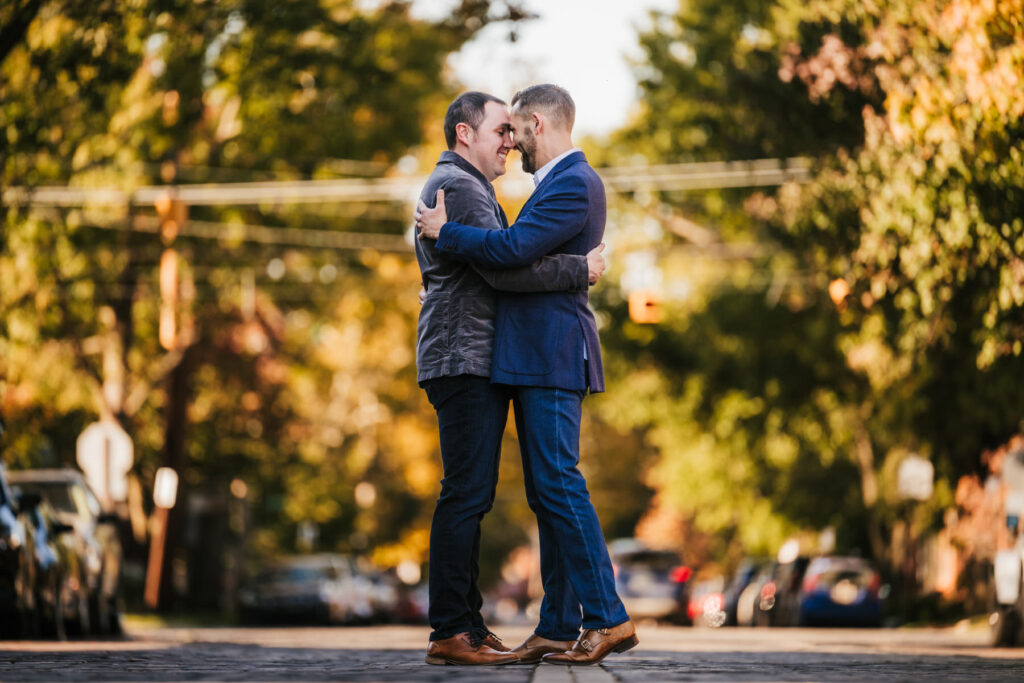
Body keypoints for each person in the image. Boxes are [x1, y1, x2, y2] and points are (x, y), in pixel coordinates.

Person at [416, 84, 636, 666]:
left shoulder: (571, 182)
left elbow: (509, 253)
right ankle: (557, 624)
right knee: (541, 491)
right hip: (515, 355)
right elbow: (507, 258)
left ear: (538, 124)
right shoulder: (466, 187)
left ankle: (604, 617)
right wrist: (576, 268)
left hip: (549, 353)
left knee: (555, 487)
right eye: (500, 132)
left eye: (515, 130)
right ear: (467, 134)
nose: (510, 143)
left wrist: (449, 235)